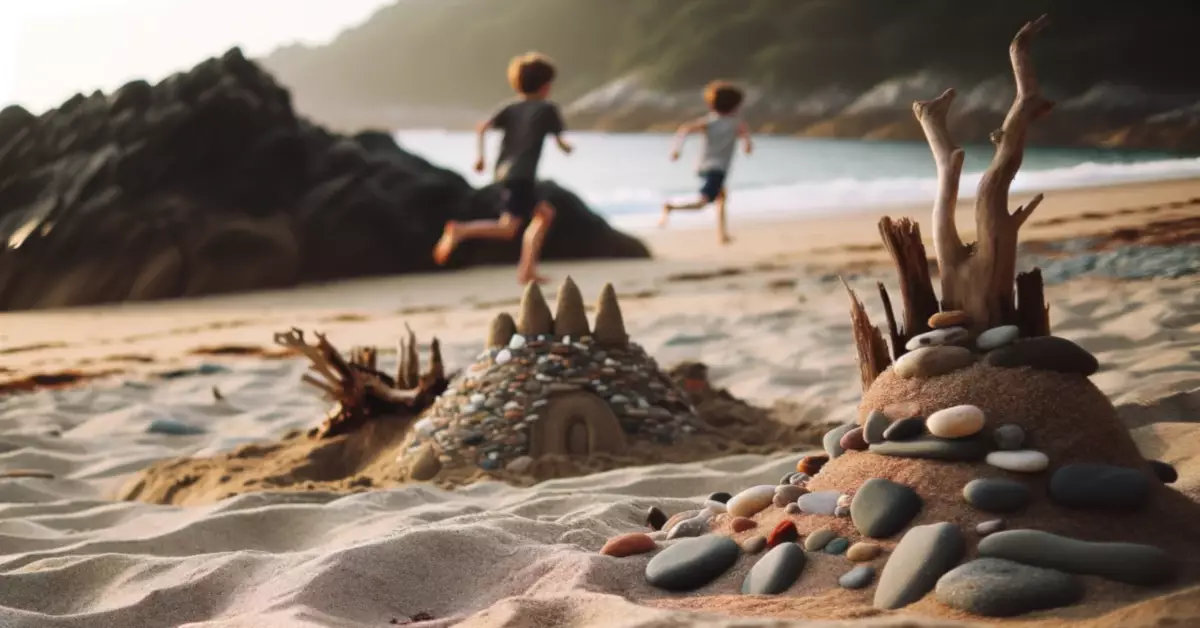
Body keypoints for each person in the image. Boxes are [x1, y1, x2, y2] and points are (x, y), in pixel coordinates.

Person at [432, 52, 573, 285]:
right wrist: (565, 147)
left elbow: (482, 127)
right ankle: (461, 231)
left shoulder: (510, 107)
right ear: (547, 85)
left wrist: (480, 158)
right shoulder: (547, 109)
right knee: (509, 228)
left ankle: (527, 271)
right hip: (522, 176)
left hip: (504, 173)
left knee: (543, 215)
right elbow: (559, 139)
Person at [660, 80, 753, 244]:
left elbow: (684, 129)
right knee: (703, 202)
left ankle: (722, 235)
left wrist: (677, 150)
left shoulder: (709, 121)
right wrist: (746, 145)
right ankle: (671, 207)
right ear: (735, 106)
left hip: (704, 166)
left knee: (721, 198)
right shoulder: (736, 123)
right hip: (717, 168)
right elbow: (746, 140)